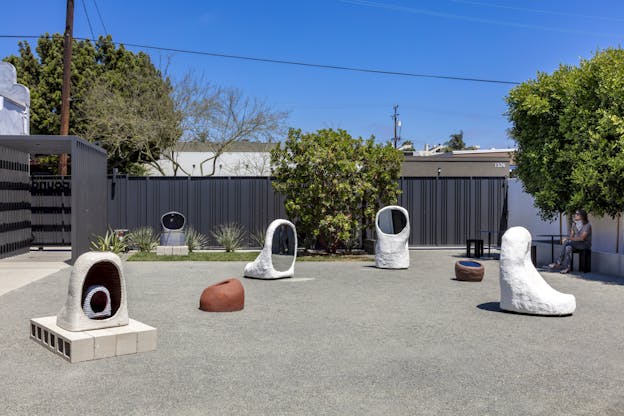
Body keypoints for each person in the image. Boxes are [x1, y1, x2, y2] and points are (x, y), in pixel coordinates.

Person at [548, 209, 592, 274]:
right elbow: (571, 235)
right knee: (567, 247)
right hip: (576, 244)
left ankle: (558, 262)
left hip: (584, 244)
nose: (575, 215)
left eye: (577, 214)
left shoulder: (587, 225)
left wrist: (567, 239)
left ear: (582, 216)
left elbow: (582, 238)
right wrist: (568, 239)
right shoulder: (574, 224)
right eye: (575, 214)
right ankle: (567, 268)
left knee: (567, 242)